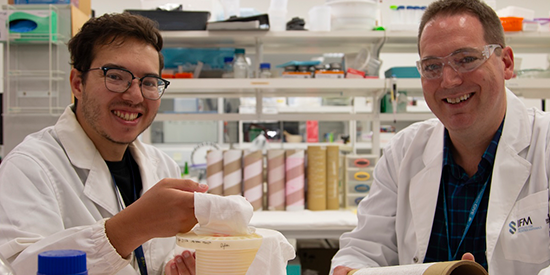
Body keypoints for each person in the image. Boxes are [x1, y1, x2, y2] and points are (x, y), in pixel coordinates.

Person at [331, 0, 550, 274]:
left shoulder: (545, 145)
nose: (449, 81)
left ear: (505, 63)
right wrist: (350, 268)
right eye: (432, 66)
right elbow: (364, 247)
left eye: (467, 59)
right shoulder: (403, 152)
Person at [0, 13, 207, 274]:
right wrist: (128, 229)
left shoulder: (162, 167)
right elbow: (21, 268)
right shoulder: (30, 167)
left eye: (149, 82)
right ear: (78, 83)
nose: (134, 96)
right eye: (116, 76)